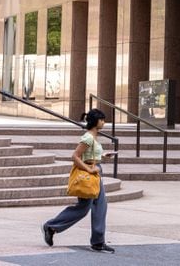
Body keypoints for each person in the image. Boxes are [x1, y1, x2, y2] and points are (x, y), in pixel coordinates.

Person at [42, 108, 116, 253]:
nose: (104, 122)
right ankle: (51, 226)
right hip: (89, 175)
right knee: (83, 208)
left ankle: (98, 242)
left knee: (100, 206)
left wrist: (104, 155)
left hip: (95, 174)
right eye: (102, 119)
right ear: (96, 122)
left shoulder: (93, 138)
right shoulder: (88, 137)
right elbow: (75, 156)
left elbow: (90, 156)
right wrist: (89, 169)